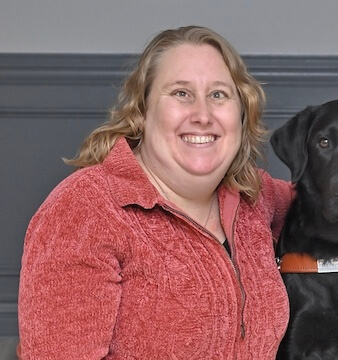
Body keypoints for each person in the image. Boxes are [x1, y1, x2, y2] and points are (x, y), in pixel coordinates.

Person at [17, 25, 294, 359]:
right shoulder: (84, 210)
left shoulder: (254, 195)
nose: (203, 115)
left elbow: (331, 203)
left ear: (241, 113)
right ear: (142, 111)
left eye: (219, 94)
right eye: (181, 93)